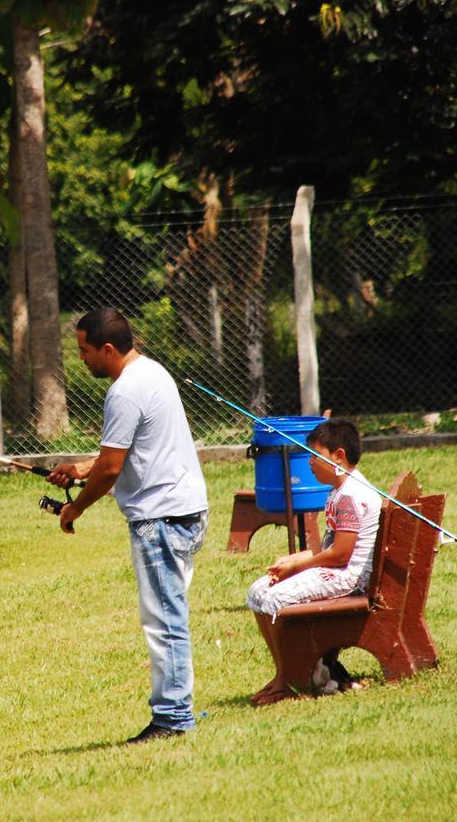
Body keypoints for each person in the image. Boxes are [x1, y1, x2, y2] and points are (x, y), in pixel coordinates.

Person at [47, 308, 209, 744]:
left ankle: (174, 717)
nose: (80, 359)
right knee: (170, 614)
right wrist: (82, 467)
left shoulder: (123, 392)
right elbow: (126, 453)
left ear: (107, 349)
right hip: (187, 509)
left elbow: (111, 470)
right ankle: (180, 705)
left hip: (160, 519)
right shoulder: (153, 372)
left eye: (83, 350)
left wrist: (75, 508)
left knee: (164, 621)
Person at [244, 418, 380, 705]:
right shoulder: (341, 491)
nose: (309, 463)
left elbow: (341, 555)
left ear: (338, 456)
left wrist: (297, 567)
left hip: (348, 577)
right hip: (338, 569)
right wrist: (293, 559)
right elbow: (327, 547)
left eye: (314, 455)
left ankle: (290, 679)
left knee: (274, 599)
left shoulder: (351, 496)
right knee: (258, 591)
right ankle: (284, 672)